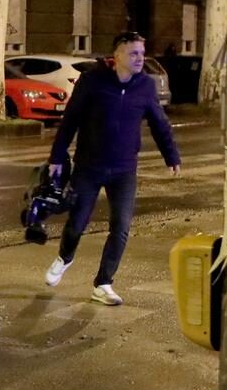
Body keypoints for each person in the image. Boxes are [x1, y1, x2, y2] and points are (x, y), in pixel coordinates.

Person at [43, 30, 181, 305]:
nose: (140, 58)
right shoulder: (93, 81)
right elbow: (70, 120)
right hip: (89, 166)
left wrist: (171, 156)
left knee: (121, 227)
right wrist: (56, 158)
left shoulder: (145, 86)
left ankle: (103, 283)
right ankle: (65, 257)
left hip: (124, 170)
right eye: (133, 53)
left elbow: (159, 122)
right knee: (77, 223)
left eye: (142, 53)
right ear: (117, 55)